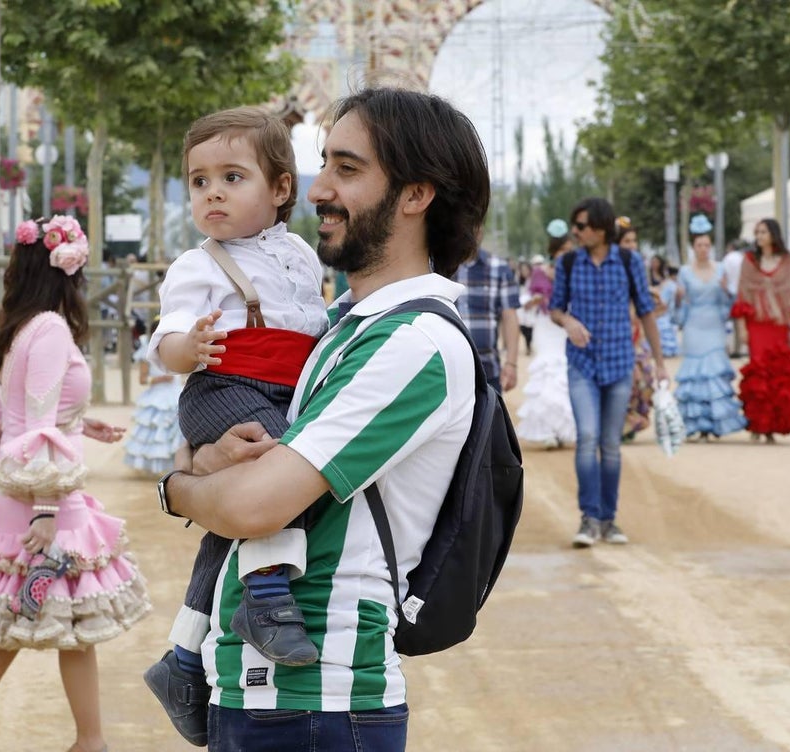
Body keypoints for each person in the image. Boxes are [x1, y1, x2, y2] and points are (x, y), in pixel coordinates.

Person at [155, 87, 489, 752]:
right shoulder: (341, 328)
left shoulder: (413, 343)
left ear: (416, 194)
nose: (318, 190)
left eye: (347, 168)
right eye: (324, 164)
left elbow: (252, 504)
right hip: (263, 694)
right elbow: (222, 448)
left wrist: (176, 488)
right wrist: (208, 461)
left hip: (321, 700)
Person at [0, 215, 151, 752]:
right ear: (63, 270)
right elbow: (39, 424)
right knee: (60, 606)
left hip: (20, 480)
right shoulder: (49, 328)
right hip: (40, 489)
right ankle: (81, 739)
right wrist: (47, 508)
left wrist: (81, 425)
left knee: (37, 605)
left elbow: (25, 415)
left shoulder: (19, 325)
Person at [143, 105, 330, 736]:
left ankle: (182, 656)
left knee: (231, 523)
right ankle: (266, 597)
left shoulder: (300, 253)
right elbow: (166, 341)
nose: (213, 193)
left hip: (283, 390)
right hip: (223, 387)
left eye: (232, 177)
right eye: (200, 181)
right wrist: (188, 348)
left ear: (281, 188)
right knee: (278, 469)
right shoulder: (199, 265)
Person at [550, 198, 667, 548]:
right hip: (582, 365)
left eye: (582, 226)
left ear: (601, 229)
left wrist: (660, 362)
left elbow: (646, 311)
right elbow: (555, 308)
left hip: (619, 365)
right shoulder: (568, 262)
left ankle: (608, 519)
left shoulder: (629, 262)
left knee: (611, 445)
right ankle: (589, 518)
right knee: (587, 437)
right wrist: (568, 322)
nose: (576, 232)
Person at [731, 218, 790, 442]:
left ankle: (772, 427)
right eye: (757, 232)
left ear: (773, 235)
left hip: (779, 325)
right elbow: (742, 295)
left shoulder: (786, 262)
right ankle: (756, 425)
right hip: (756, 324)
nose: (759, 236)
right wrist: (742, 328)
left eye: (763, 232)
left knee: (777, 373)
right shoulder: (749, 261)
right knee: (758, 373)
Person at [673, 227, 746, 440]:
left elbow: (728, 303)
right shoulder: (685, 272)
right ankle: (696, 423)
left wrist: (725, 291)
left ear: (711, 247)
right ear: (693, 248)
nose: (703, 249)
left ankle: (714, 423)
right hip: (694, 324)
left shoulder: (721, 269)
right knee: (695, 374)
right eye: (699, 245)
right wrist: (678, 299)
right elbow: (680, 307)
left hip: (715, 324)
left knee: (714, 371)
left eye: (706, 245)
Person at [516, 222, 576, 449]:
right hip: (544, 325)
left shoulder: (575, 271)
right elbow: (526, 298)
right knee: (546, 371)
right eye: (563, 250)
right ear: (554, 250)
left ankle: (563, 428)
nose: (566, 254)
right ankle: (546, 430)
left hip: (565, 326)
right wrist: (533, 301)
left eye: (569, 250)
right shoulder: (539, 273)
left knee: (563, 374)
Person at [453, 235, 521, 392]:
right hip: (446, 372)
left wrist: (511, 363)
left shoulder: (499, 268)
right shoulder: (437, 266)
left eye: (476, 224)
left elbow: (510, 316)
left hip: (487, 372)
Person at [124, 319, 185, 476]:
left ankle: (177, 466)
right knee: (156, 433)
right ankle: (156, 467)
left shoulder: (176, 348)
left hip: (176, 394)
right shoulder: (147, 352)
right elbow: (142, 380)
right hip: (157, 397)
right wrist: (160, 379)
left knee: (178, 431)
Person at [616, 219, 655, 443]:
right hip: (620, 336)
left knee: (644, 381)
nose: (632, 245)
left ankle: (630, 422)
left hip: (637, 336)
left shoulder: (637, 267)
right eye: (626, 241)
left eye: (634, 241)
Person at [648, 253, 681, 357]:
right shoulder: (647, 278)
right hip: (652, 307)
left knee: (663, 324)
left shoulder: (667, 282)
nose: (654, 264)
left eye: (656, 262)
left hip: (663, 309)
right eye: (653, 262)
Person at [722, 239, 748, 357]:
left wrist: (725, 291)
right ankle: (739, 349)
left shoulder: (727, 259)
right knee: (740, 322)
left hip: (730, 292)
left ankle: (729, 348)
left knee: (727, 323)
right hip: (741, 292)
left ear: (730, 247)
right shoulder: (743, 258)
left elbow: (723, 277)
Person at [516, 260, 535, 355]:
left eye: (526, 270)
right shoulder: (519, 281)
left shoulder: (534, 281)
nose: (524, 272)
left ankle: (529, 346)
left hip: (531, 308)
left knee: (530, 328)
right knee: (523, 327)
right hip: (521, 308)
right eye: (522, 270)